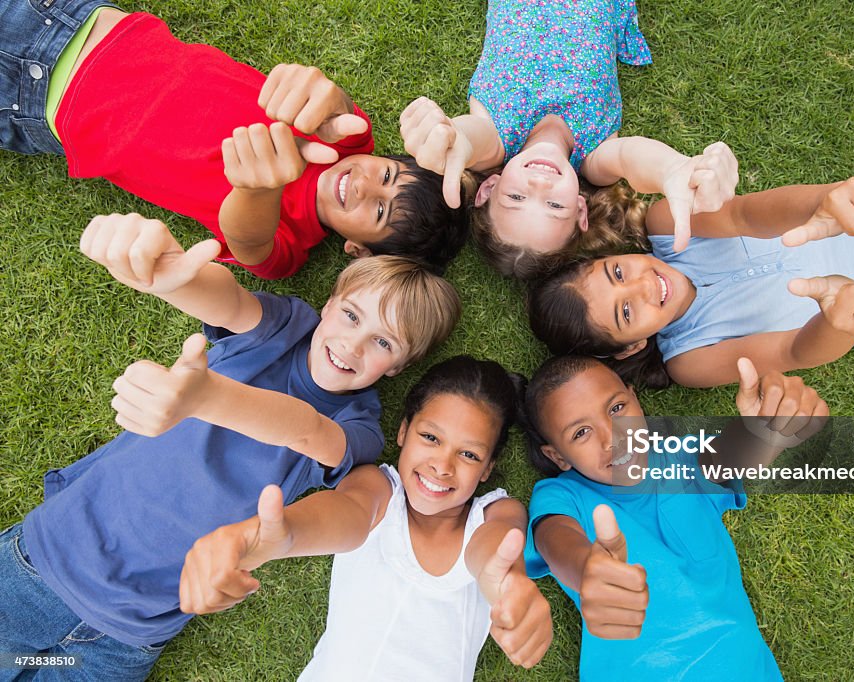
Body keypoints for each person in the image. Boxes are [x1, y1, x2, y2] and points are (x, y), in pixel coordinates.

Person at [0, 213, 460, 680]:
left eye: (382, 342)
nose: (353, 344)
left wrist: (210, 399)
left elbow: (306, 431)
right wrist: (171, 278)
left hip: (129, 634)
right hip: (46, 560)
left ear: (399, 367)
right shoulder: (285, 326)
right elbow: (227, 302)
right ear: (328, 304)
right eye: (350, 315)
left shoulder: (359, 425)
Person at [0, 2, 466, 278]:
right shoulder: (348, 141)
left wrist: (258, 189)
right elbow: (338, 107)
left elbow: (248, 242)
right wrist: (322, 94)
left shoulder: (288, 244)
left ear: (358, 250)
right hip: (71, 19)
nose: (366, 185)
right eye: (386, 174)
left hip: (32, 104)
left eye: (379, 210)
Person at [179, 356, 553, 680]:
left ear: (488, 468)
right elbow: (345, 515)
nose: (443, 465)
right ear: (403, 430)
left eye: (469, 455)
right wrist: (275, 537)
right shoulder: (378, 490)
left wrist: (508, 586)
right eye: (431, 437)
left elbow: (495, 555)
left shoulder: (497, 514)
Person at [527, 169, 854, 388]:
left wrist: (823, 202)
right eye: (627, 312)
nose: (641, 285)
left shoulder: (667, 226)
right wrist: (841, 323)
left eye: (618, 272)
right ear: (630, 348)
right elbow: (793, 354)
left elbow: (747, 216)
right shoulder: (690, 361)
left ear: (613, 254)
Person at [521, 354, 828, 680]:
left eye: (616, 409)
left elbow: (732, 457)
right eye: (581, 432)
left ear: (635, 398)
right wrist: (587, 569)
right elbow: (554, 539)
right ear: (558, 457)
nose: (611, 437)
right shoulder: (562, 495)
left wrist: (767, 427)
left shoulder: (681, 458)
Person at [398, 0, 738, 279]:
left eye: (516, 196)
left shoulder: (495, 139)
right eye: (554, 206)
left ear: (490, 188)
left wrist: (455, 140)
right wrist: (671, 169)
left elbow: (470, 141)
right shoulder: (595, 158)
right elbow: (632, 157)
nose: (539, 186)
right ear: (579, 210)